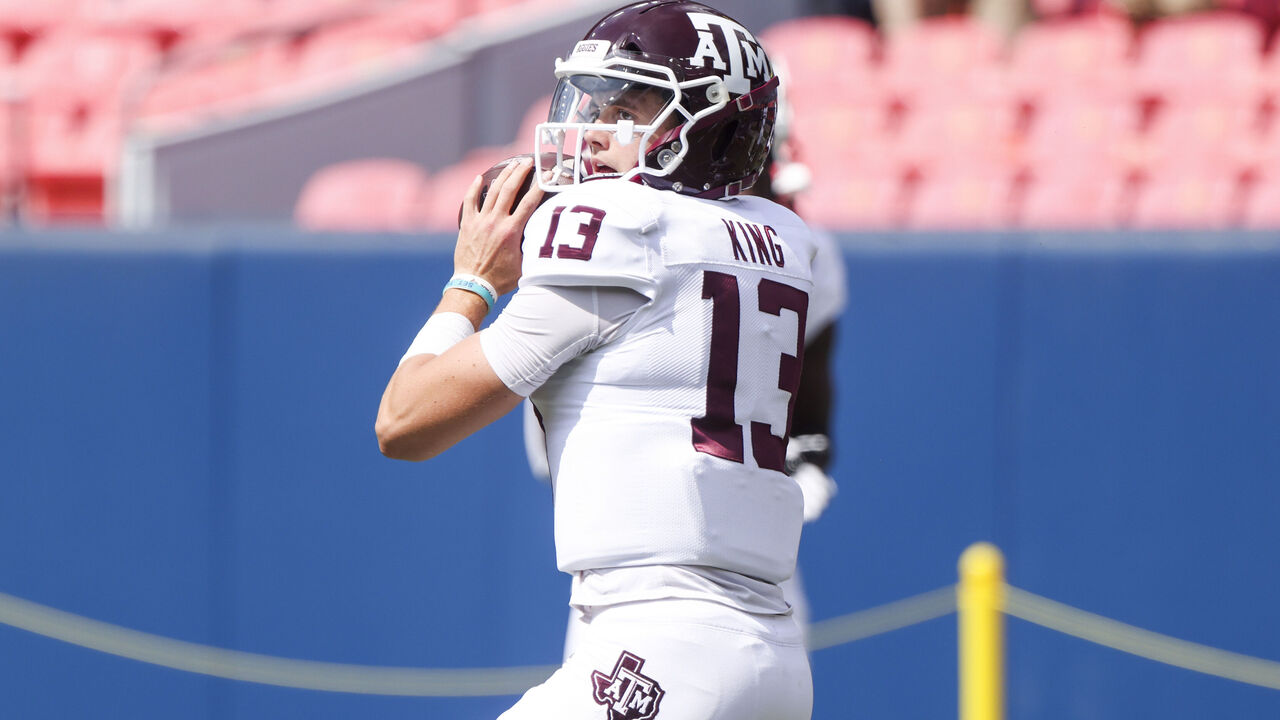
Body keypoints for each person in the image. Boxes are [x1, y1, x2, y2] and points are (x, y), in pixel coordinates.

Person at [377, 2, 817, 717]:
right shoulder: (781, 240)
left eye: (627, 109)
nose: (593, 130)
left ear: (700, 125)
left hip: (665, 643)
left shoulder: (625, 229)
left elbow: (405, 422)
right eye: (598, 104)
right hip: (767, 653)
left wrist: (473, 282)